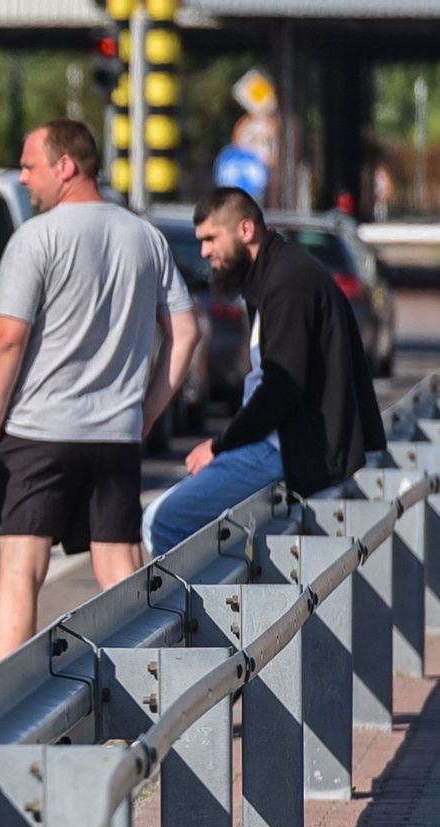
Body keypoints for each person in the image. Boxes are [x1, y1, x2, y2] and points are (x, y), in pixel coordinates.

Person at [0, 120, 202, 660]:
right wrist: (145, 413)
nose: (24, 178)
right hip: (115, 435)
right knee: (119, 568)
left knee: (22, 569)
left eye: (30, 166)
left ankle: (8, 714)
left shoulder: (37, 237)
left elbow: (8, 338)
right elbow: (187, 332)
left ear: (66, 167)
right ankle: (152, 691)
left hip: (37, 431)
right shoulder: (144, 236)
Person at [144, 188, 384, 555]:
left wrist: (220, 446)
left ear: (245, 229)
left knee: (165, 520)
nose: (205, 252)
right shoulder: (273, 275)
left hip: (287, 449)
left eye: (211, 239)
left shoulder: (287, 282)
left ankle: (208, 613)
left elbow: (281, 387)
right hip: (283, 445)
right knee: (176, 519)